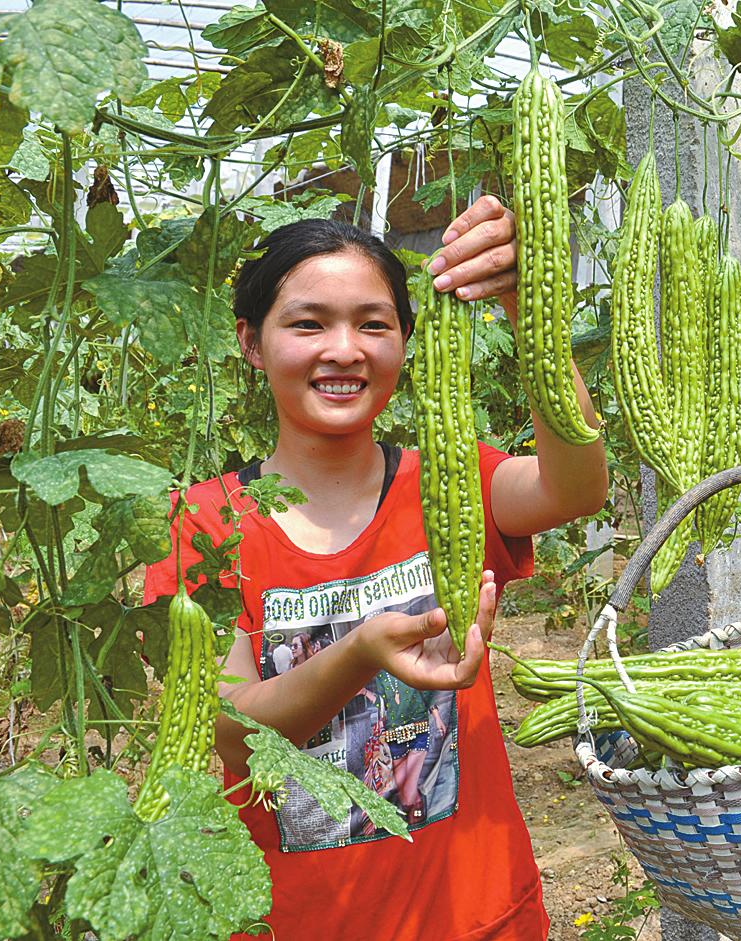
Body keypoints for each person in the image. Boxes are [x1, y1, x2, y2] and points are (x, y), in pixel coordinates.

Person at [144, 198, 608, 940]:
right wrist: (359, 652)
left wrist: (529, 308)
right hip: (295, 924)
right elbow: (230, 729)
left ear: (405, 341)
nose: (344, 350)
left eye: (373, 324)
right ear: (251, 343)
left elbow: (576, 487)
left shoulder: (451, 482)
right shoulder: (203, 524)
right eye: (308, 324)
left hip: (475, 916)